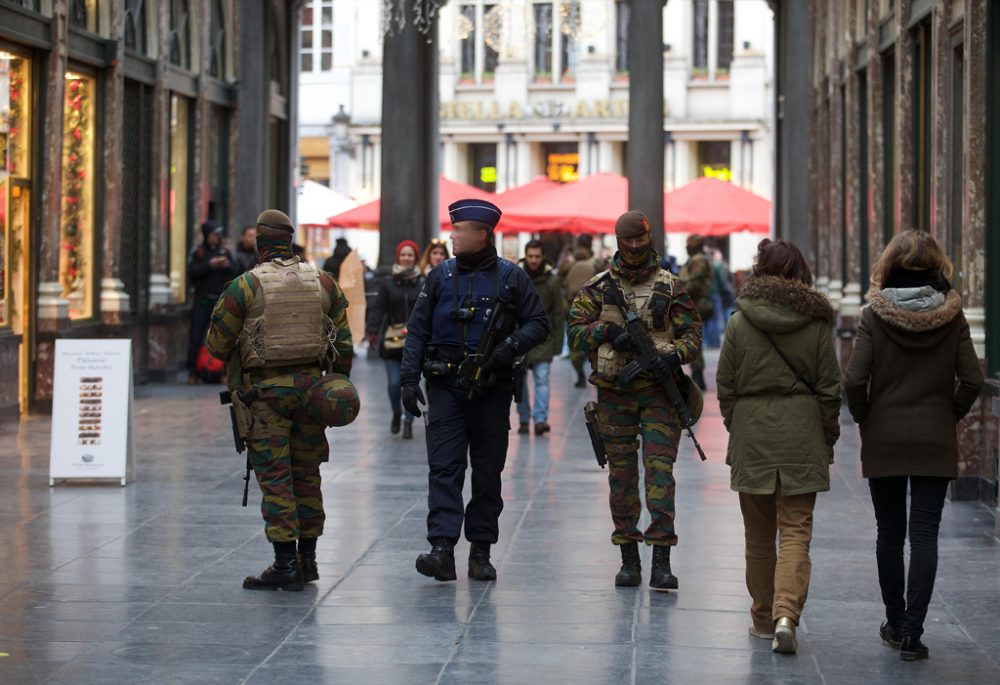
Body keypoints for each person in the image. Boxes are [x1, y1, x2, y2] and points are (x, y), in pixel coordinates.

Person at [844, 230, 983, 661]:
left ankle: (895, 620)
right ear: (937, 266)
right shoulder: (953, 317)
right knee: (924, 535)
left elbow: (853, 379)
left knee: (889, 533)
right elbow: (973, 379)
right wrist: (949, 414)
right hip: (934, 438)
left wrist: (867, 416)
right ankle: (913, 633)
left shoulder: (873, 316)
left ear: (889, 266)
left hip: (883, 437)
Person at [206, 210, 356, 590]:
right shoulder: (323, 282)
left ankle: (285, 565)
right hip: (311, 396)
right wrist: (331, 386)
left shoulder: (244, 286)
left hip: (265, 397)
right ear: (290, 240)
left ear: (259, 243)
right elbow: (343, 346)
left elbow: (216, 345)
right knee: (307, 476)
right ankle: (308, 561)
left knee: (276, 479)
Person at [400, 199, 548, 583]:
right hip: (445, 387)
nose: (451, 236)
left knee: (487, 471)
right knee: (444, 468)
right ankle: (442, 550)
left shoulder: (512, 278)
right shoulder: (438, 276)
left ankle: (480, 551)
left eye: (458, 230)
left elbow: (539, 323)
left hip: (491, 390)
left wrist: (507, 348)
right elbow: (417, 330)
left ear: (481, 235)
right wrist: (407, 378)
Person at [716, 239, 842, 655]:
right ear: (799, 273)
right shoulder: (818, 323)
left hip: (752, 434)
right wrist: (826, 437)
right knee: (795, 533)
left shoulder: (738, 322)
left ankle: (762, 618)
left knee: (757, 535)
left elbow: (726, 387)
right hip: (801, 433)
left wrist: (740, 426)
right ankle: (787, 614)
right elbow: (829, 389)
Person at [567, 211, 702, 590]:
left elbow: (693, 334)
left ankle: (661, 558)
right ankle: (629, 557)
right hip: (615, 394)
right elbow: (574, 333)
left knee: (660, 472)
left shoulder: (672, 287)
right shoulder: (598, 288)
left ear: (651, 238)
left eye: (641, 241)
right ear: (618, 242)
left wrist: (673, 355)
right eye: (629, 243)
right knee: (621, 476)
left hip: (660, 393)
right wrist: (606, 331)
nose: (636, 249)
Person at [367, 240, 424, 439]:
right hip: (392, 340)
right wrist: (373, 332)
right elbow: (378, 308)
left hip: (415, 341)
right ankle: (397, 412)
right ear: (398, 257)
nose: (406, 258)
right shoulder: (388, 283)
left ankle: (408, 421)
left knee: (410, 383)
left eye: (410, 255)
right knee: (394, 383)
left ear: (415, 258)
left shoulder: (422, 281)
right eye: (403, 255)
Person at [516, 239, 564, 436]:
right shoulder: (516, 276)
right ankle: (524, 419)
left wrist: (559, 344)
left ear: (542, 257)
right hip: (519, 338)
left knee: (542, 379)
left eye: (537, 256)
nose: (534, 260)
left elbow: (558, 314)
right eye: (530, 256)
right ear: (525, 256)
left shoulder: (552, 280)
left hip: (544, 337)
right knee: (520, 382)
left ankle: (541, 419)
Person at [187, 220, 237, 384]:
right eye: (215, 234)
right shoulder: (199, 252)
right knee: (196, 336)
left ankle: (224, 372)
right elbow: (192, 273)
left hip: (219, 300)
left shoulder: (225, 251)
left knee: (223, 337)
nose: (218, 237)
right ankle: (192, 373)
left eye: (219, 234)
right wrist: (209, 265)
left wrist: (227, 265)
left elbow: (236, 273)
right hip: (202, 300)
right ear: (207, 235)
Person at [563, 234, 604, 387]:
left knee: (575, 345)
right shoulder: (597, 262)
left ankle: (580, 376)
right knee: (597, 344)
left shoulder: (569, 262)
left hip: (573, 307)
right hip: (595, 309)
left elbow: (560, 279)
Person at [680, 235, 713, 390]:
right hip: (694, 303)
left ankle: (698, 374)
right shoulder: (696, 259)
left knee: (695, 339)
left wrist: (679, 290)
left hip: (696, 303)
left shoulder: (698, 260)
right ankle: (697, 373)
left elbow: (695, 282)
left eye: (688, 244)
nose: (687, 247)